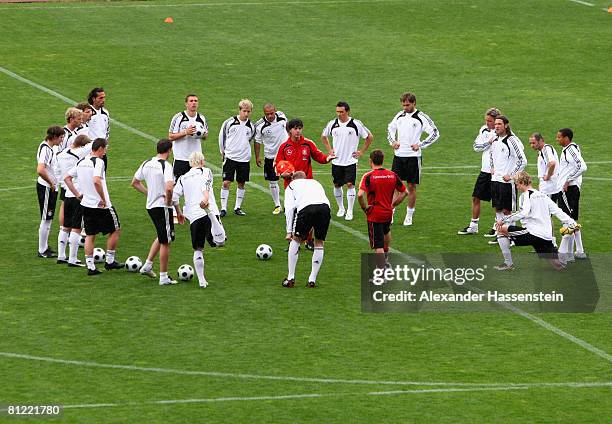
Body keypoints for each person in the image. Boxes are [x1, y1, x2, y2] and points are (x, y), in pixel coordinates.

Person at [494, 171, 577, 270]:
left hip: (532, 234)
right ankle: (566, 238)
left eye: (517, 185)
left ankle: (508, 263)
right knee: (558, 265)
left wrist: (503, 219)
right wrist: (571, 221)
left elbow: (524, 212)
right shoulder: (543, 195)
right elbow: (557, 210)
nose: (517, 187)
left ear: (521, 182)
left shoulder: (526, 195)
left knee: (500, 230)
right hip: (546, 236)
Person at [64, 138, 123, 275]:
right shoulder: (99, 162)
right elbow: (96, 181)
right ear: (100, 148)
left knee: (90, 235)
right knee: (115, 229)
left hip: (86, 204)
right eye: (105, 149)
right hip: (102, 205)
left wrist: (78, 194)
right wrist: (102, 199)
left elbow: (67, 177)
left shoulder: (81, 161)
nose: (105, 152)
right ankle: (109, 261)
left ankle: (91, 267)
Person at [132, 139, 183, 286]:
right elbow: (169, 188)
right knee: (166, 241)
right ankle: (164, 277)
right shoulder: (166, 166)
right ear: (169, 150)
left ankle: (147, 265)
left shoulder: (146, 163)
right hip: (162, 207)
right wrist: (168, 203)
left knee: (162, 236)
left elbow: (134, 182)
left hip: (151, 206)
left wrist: (150, 193)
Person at [173, 152, 226, 288]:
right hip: (209, 211)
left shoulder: (182, 178)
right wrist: (206, 200)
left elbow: (174, 197)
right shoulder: (206, 171)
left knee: (198, 248)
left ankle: (202, 280)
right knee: (220, 242)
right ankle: (210, 214)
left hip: (194, 215)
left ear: (190, 164)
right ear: (202, 161)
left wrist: (178, 212)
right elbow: (206, 186)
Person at [387, 92, 440, 226]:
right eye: (403, 105)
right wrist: (393, 141)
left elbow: (435, 133)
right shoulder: (399, 115)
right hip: (398, 156)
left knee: (411, 186)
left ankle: (409, 215)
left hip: (413, 157)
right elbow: (390, 128)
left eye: (407, 105)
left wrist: (421, 144)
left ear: (414, 103)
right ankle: (390, 212)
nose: (405, 107)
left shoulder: (421, 117)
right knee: (394, 186)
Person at [321, 101, 373, 221]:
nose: (339, 114)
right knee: (337, 184)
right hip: (336, 161)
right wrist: (329, 150)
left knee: (350, 184)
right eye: (337, 111)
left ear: (347, 111)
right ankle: (341, 208)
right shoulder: (332, 124)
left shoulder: (355, 124)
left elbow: (369, 137)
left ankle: (349, 210)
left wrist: (361, 151)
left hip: (350, 161)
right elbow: (323, 136)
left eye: (341, 112)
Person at [357, 150, 407, 268]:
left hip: (375, 214)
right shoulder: (392, 175)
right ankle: (386, 256)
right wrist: (393, 205)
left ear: (370, 161)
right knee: (386, 231)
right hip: (388, 213)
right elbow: (405, 192)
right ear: (382, 160)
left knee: (378, 245)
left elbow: (359, 195)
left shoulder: (368, 176)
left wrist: (364, 208)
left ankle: (381, 272)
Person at [282, 171, 331, 288]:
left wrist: (289, 231)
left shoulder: (291, 186)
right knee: (319, 242)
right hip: (325, 208)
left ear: (293, 178)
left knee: (296, 239)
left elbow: (289, 209)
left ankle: (290, 278)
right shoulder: (315, 182)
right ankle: (312, 279)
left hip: (306, 208)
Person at [458, 108, 500, 236]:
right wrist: (488, 142)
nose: (488, 123)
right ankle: (473, 226)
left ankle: (496, 227)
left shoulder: (503, 134)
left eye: (490, 121)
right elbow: (476, 146)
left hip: (497, 172)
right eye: (486, 120)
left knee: (497, 202)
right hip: (485, 170)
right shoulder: (484, 130)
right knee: (476, 197)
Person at [488, 115, 527, 244]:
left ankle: (511, 236)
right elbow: (492, 155)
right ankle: (501, 234)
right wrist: (492, 167)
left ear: (506, 125)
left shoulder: (511, 140)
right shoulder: (494, 140)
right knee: (498, 209)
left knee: (507, 210)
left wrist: (511, 175)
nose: (497, 126)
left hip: (507, 183)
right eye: (496, 124)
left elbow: (522, 160)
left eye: (499, 124)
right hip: (495, 180)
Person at [56, 134, 92, 266]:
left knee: (65, 226)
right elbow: (92, 146)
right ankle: (73, 259)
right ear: (82, 146)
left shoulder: (60, 154)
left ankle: (61, 255)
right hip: (78, 193)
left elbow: (57, 172)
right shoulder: (80, 153)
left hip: (66, 192)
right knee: (76, 228)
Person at [55, 107, 84, 259]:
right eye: (79, 119)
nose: (81, 121)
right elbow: (58, 154)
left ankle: (62, 252)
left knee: (66, 204)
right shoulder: (65, 134)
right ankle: (72, 255)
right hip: (70, 179)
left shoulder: (75, 133)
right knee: (66, 206)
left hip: (68, 178)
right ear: (71, 119)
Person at [218, 99, 256, 217]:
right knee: (226, 182)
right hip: (230, 157)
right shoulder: (229, 122)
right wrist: (223, 152)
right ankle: (223, 208)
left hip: (244, 159)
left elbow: (249, 140)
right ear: (239, 110)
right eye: (244, 111)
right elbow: (222, 137)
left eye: (248, 111)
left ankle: (237, 207)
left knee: (241, 183)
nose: (246, 113)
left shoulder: (252, 126)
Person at [555, 128, 587, 260]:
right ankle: (579, 251)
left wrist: (568, 180)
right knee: (571, 221)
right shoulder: (568, 149)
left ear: (566, 138)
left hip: (568, 190)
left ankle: (568, 255)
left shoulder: (571, 149)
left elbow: (583, 166)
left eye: (559, 137)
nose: (557, 139)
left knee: (567, 221)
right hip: (567, 189)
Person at [36, 126, 65, 258]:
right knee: (46, 218)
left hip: (50, 187)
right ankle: (42, 250)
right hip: (47, 187)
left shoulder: (48, 147)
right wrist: (51, 182)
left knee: (48, 218)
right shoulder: (46, 149)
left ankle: (45, 247)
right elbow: (40, 169)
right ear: (54, 137)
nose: (62, 139)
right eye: (60, 137)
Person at [254, 103, 287, 214]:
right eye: (267, 114)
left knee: (290, 178)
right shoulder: (260, 125)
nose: (270, 116)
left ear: (275, 111)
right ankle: (277, 205)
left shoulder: (282, 116)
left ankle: (289, 204)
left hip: (286, 154)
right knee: (273, 181)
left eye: (271, 113)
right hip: (271, 156)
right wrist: (257, 156)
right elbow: (257, 141)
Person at [529, 132, 560, 247]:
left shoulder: (546, 149)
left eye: (533, 143)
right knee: (544, 215)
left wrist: (548, 175)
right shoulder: (542, 151)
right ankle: (548, 241)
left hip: (550, 189)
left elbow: (552, 163)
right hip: (546, 188)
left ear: (541, 140)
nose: (532, 145)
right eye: (530, 143)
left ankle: (551, 242)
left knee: (546, 216)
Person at [168, 93, 209, 179]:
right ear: (186, 104)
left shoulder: (201, 118)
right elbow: (170, 136)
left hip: (196, 158)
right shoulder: (179, 117)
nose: (194, 103)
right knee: (177, 186)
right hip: (181, 158)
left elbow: (205, 136)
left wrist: (201, 134)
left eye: (196, 101)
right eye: (191, 101)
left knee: (196, 186)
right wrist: (186, 132)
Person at [87, 88, 110, 168]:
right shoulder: (87, 112)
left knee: (102, 176)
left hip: (102, 150)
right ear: (93, 99)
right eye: (100, 98)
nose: (103, 100)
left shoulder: (105, 112)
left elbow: (107, 130)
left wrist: (105, 145)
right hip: (90, 151)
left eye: (104, 97)